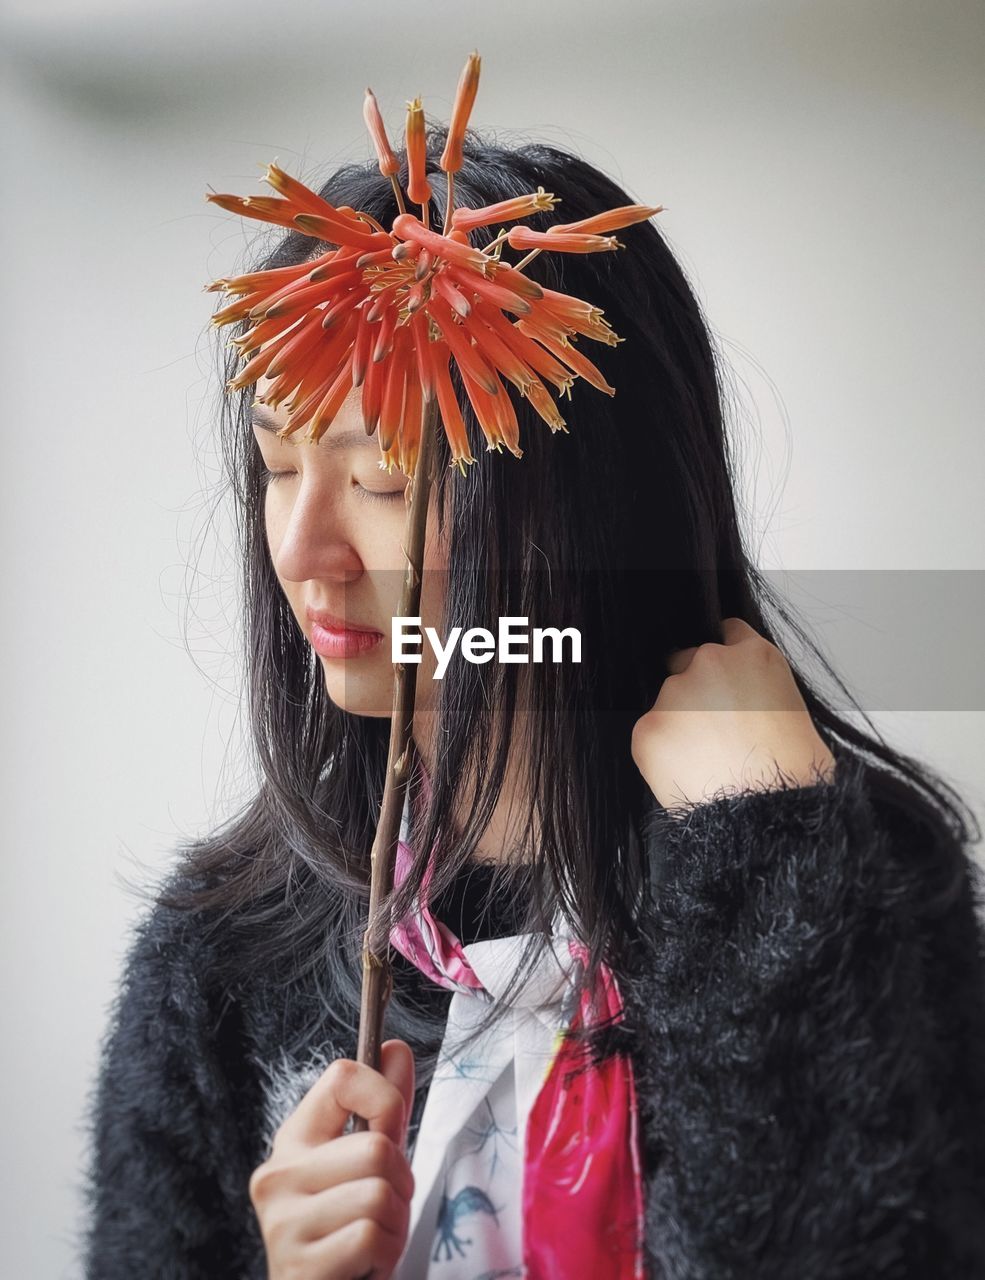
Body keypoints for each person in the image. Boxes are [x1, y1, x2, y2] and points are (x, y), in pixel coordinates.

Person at [82, 126, 985, 1280]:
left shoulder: (856, 875)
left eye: (383, 481)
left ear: (589, 510)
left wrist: (763, 867)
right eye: (276, 467)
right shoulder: (216, 958)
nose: (302, 551)